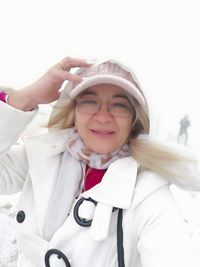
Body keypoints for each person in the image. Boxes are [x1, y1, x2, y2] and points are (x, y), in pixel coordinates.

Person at [0, 56, 200, 267]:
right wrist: (24, 98)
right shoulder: (44, 156)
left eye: (120, 105)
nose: (103, 116)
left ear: (134, 119)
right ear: (74, 110)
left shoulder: (148, 193)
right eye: (89, 101)